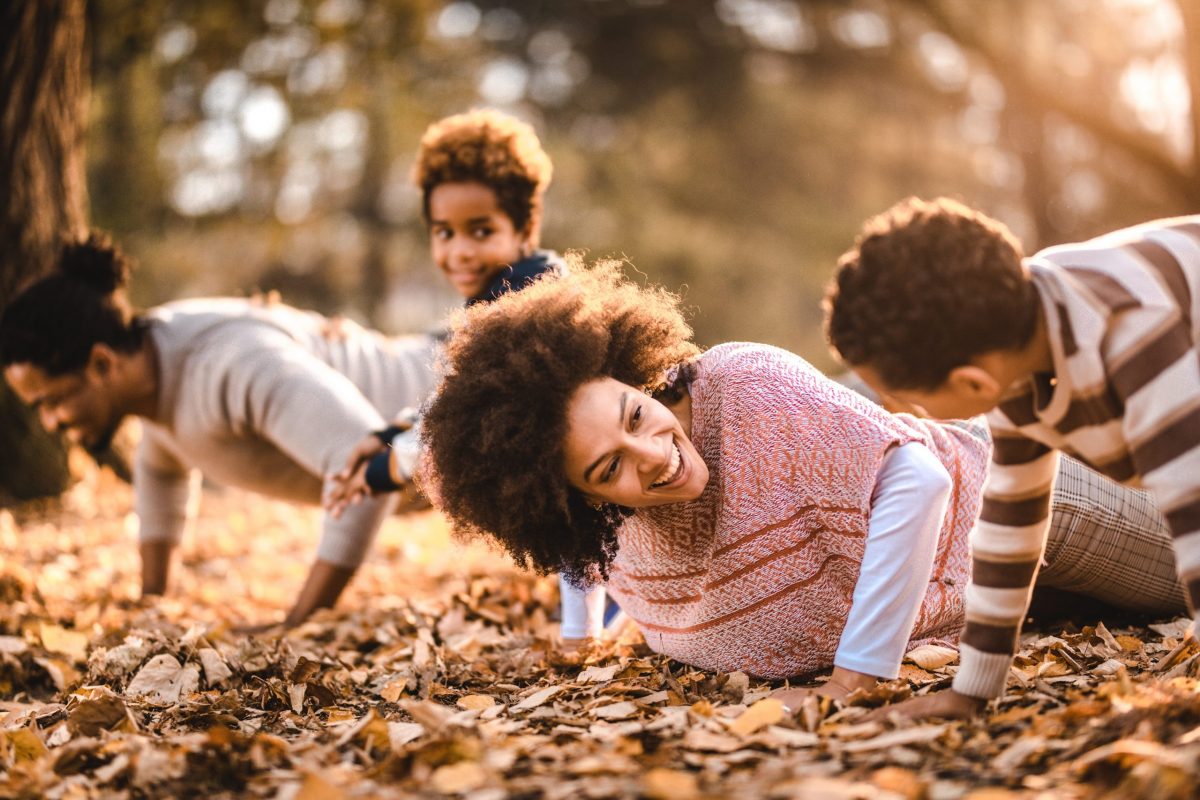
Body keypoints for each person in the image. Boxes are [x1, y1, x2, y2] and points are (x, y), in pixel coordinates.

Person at [418, 261, 1185, 702]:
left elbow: (915, 481)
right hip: (981, 620)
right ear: (574, 502)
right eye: (607, 467)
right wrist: (585, 633)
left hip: (1033, 518)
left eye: (633, 414)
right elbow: (524, 522)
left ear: (632, 376)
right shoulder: (603, 532)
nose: (649, 454)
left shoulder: (743, 386)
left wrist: (852, 681)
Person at [824, 197, 1200, 719]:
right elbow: (1010, 528)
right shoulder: (1021, 350)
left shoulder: (1131, 332)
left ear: (970, 382)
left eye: (914, 402)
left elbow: (1193, 505)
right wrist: (973, 690)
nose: (916, 414)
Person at [0, 234, 439, 626]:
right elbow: (161, 468)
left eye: (52, 401)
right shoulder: (153, 369)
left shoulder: (231, 364)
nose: (49, 423)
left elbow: (369, 467)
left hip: (461, 386)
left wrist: (300, 624)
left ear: (102, 364)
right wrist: (153, 609)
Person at [325, 107, 564, 511]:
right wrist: (391, 432)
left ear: (525, 228)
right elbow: (451, 399)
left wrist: (380, 471)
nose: (460, 252)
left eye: (481, 231)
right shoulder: (502, 295)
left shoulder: (530, 304)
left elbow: (463, 422)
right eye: (444, 232)